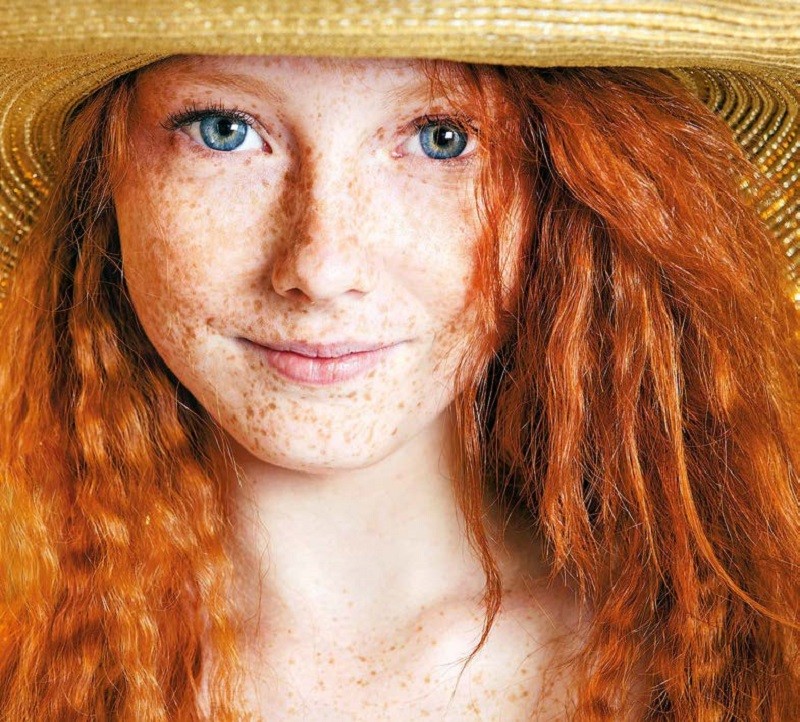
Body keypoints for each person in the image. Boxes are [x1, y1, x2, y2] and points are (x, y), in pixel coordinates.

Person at [0, 5, 798, 722]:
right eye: (225, 130)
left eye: (439, 139)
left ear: (558, 185)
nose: (322, 265)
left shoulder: (750, 662)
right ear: (104, 176)